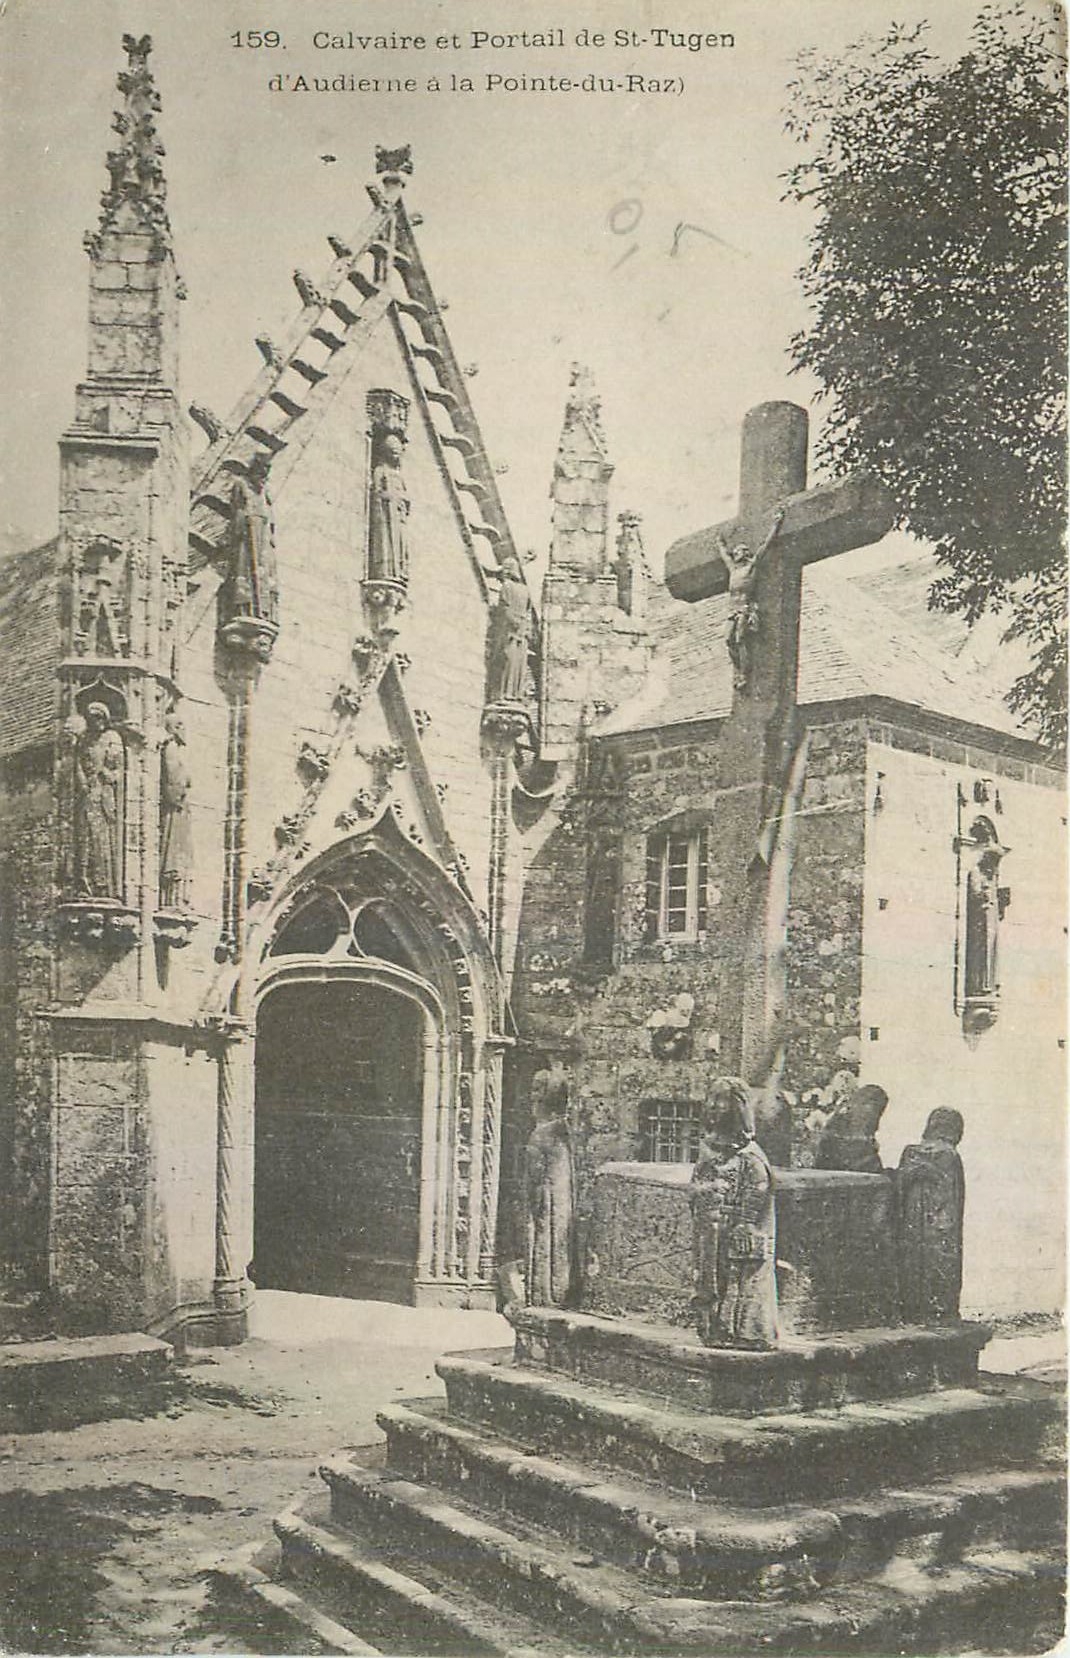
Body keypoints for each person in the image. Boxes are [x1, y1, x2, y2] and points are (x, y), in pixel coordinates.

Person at [691, 1076, 777, 1348]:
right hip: (712, 1226)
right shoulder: (711, 1148)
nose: (714, 1107)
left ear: (737, 1108)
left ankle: (748, 1333)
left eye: (722, 1101)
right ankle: (712, 1328)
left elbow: (759, 1187)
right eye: (712, 1100)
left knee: (743, 1281)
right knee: (710, 1279)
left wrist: (745, 1222)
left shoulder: (750, 1155)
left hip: (737, 1227)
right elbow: (695, 1186)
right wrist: (705, 1190)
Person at [896, 1108, 965, 1323]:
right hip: (939, 1227)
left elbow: (899, 1187)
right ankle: (940, 1311)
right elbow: (953, 1198)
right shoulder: (949, 1156)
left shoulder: (911, 1153)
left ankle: (913, 1310)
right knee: (940, 1265)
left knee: (913, 1264)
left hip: (912, 1226)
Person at [523, 1062, 576, 1306]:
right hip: (557, 1203)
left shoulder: (542, 1134)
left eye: (536, 1090)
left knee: (545, 1242)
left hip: (546, 1203)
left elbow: (536, 1175)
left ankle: (544, 1296)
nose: (531, 1097)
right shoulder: (560, 1130)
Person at [74, 702, 125, 900]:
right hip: (88, 794)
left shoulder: (113, 738)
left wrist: (108, 774)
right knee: (84, 838)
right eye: (92, 718)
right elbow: (78, 764)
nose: (96, 722)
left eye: (100, 718)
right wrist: (83, 783)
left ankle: (104, 886)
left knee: (101, 839)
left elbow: (118, 771)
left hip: (104, 796)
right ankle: (84, 884)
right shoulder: (83, 740)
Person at [159, 711, 194, 909]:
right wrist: (182, 789)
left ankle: (175, 898)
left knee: (180, 853)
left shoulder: (175, 749)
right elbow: (173, 780)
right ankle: (171, 899)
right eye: (179, 725)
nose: (184, 729)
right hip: (176, 809)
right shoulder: (171, 747)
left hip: (179, 808)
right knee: (174, 852)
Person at [487, 555, 532, 704]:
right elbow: (527, 612)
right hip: (521, 634)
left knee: (505, 662)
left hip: (509, 632)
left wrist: (493, 611)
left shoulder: (507, 586)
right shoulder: (525, 590)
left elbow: (504, 609)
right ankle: (514, 694)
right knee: (518, 664)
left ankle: (504, 695)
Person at [367, 431, 411, 585]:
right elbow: (377, 494)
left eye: (398, 453)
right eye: (393, 453)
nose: (396, 456)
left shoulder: (398, 475)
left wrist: (403, 500)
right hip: (386, 516)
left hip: (398, 515)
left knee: (400, 545)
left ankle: (399, 571)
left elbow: (406, 498)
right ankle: (384, 571)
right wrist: (389, 496)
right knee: (386, 543)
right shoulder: (380, 471)